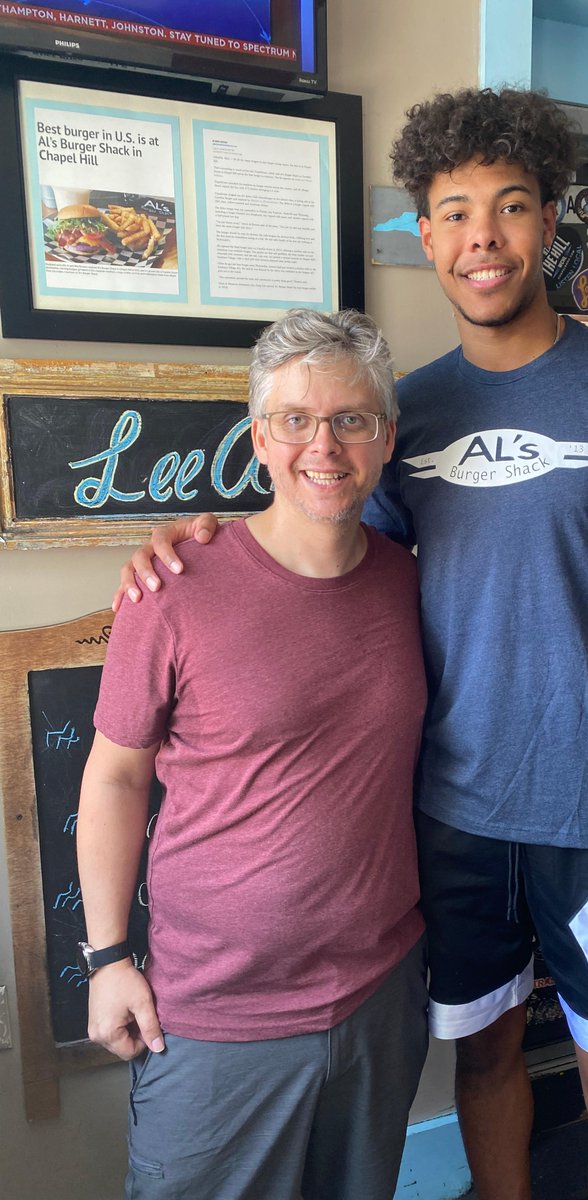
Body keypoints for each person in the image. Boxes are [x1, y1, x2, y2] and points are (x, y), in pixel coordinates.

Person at [117, 89, 588, 1200]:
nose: (480, 238)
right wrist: (192, 538)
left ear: (549, 219)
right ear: (424, 233)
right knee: (485, 1065)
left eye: (507, 207)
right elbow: (322, 551)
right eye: (451, 212)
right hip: (445, 822)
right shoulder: (404, 417)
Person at [79, 308, 428, 1200]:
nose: (325, 445)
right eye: (295, 420)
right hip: (214, 1024)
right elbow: (115, 776)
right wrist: (107, 957)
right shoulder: (172, 589)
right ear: (259, 439)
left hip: (380, 1001)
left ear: (385, 439)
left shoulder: (410, 580)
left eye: (351, 419)